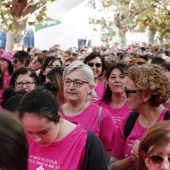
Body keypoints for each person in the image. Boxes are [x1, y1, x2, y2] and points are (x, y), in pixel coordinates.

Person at [18, 86, 108, 170]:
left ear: (59, 117)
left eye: (43, 132)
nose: (37, 139)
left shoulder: (87, 142)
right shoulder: (22, 138)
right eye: (30, 132)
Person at [110, 64, 170, 170]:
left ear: (146, 95)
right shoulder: (127, 121)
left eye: (128, 92)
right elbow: (113, 166)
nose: (123, 95)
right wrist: (133, 158)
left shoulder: (167, 122)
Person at [61, 60, 116, 162]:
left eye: (78, 83)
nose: (71, 87)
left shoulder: (103, 116)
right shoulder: (55, 112)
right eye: (67, 82)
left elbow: (108, 153)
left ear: (90, 87)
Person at [95, 63, 131, 127]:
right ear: (108, 82)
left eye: (122, 77)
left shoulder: (134, 107)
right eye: (113, 77)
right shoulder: (97, 106)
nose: (117, 80)